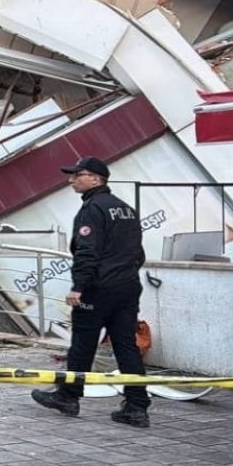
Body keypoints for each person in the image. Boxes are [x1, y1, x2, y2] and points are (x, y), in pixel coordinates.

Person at [31, 156, 151, 428]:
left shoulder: (92, 209)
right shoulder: (126, 209)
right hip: (127, 287)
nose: (71, 179)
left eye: (78, 175)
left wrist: (78, 287)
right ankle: (137, 406)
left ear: (96, 179)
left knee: (83, 344)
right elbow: (138, 252)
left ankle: (68, 396)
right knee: (126, 346)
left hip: (99, 289)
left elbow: (87, 252)